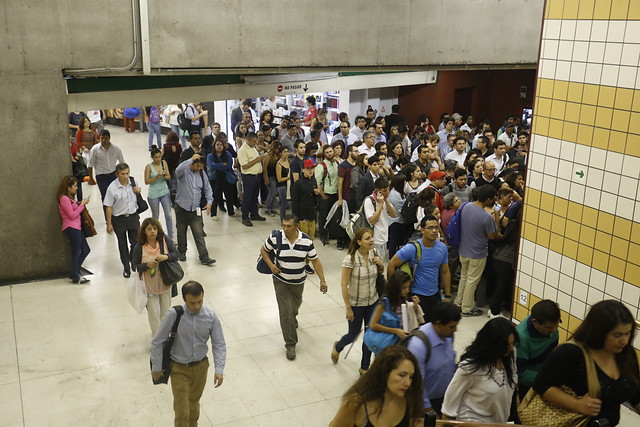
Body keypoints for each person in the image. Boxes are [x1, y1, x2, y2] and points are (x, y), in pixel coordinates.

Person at [533, 300, 640, 426]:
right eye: (617, 335)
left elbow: (635, 392)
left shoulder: (626, 354)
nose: (624, 341)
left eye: (627, 333)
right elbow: (542, 385)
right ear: (599, 332)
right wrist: (576, 404)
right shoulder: (571, 353)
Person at [150, 281, 226, 427]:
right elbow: (158, 341)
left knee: (193, 404)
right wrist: (157, 367)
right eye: (192, 303)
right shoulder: (174, 315)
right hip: (179, 368)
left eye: (200, 302)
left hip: (201, 367)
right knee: (182, 410)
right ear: (184, 299)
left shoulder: (210, 316)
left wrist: (219, 369)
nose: (197, 306)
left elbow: (219, 344)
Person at [259, 215, 328, 360]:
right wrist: (271, 266)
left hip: (298, 281)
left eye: (289, 226)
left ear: (297, 226)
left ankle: (293, 317)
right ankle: (290, 344)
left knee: (294, 307)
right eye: (284, 225)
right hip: (280, 280)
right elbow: (264, 250)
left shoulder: (306, 241)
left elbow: (315, 260)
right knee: (285, 312)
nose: (285, 229)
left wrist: (322, 280)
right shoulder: (275, 237)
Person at [442, 317, 518, 423]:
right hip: (473, 422)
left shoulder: (510, 355)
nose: (511, 348)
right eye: (506, 345)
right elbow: (448, 406)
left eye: (512, 343)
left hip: (499, 422)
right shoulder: (469, 368)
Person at [331, 228, 384, 375]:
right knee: (353, 334)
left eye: (372, 237)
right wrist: (348, 307)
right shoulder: (350, 259)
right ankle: (338, 346)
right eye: (367, 238)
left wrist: (380, 264)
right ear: (359, 242)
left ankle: (364, 367)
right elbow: (344, 284)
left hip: (372, 302)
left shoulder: (375, 254)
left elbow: (380, 275)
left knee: (369, 335)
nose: (371, 240)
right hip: (355, 304)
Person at [330, 345, 424, 427]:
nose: (408, 383)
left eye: (411, 377)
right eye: (402, 375)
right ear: (385, 373)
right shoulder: (356, 403)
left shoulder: (409, 400)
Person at [387, 215, 451, 321]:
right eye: (430, 228)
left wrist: (448, 295)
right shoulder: (412, 248)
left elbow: (445, 271)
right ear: (422, 230)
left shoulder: (442, 248)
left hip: (435, 295)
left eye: (436, 227)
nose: (434, 231)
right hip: (416, 296)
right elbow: (392, 264)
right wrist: (395, 291)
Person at [406, 302, 460, 417]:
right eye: (452, 326)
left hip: (446, 400)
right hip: (426, 405)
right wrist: (429, 411)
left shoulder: (448, 335)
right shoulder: (418, 346)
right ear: (438, 324)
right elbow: (416, 384)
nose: (455, 330)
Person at [455, 185, 501, 316]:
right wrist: (496, 217)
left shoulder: (466, 206)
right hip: (478, 253)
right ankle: (467, 308)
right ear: (487, 200)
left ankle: (458, 303)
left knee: (464, 278)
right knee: (472, 281)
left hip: (463, 250)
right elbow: (492, 236)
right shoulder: (485, 217)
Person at [131, 218, 178, 336]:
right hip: (149, 287)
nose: (152, 231)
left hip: (165, 283)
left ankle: (166, 336)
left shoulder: (164, 240)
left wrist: (167, 257)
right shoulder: (139, 247)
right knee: (154, 315)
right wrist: (147, 265)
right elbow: (134, 267)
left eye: (155, 229)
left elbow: (176, 254)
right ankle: (157, 339)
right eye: (149, 229)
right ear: (144, 231)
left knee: (166, 313)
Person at [174, 155, 216, 265]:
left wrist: (209, 202)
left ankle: (204, 257)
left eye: (201, 167)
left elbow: (207, 188)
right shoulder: (183, 172)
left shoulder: (202, 173)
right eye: (197, 166)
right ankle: (182, 252)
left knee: (199, 234)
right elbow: (177, 170)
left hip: (195, 209)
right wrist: (190, 159)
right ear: (192, 163)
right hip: (181, 208)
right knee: (181, 232)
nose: (198, 169)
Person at [515, 299, 561, 398]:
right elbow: (520, 373)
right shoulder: (521, 339)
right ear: (535, 322)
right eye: (549, 327)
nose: (553, 331)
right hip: (529, 383)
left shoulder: (552, 329)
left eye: (556, 325)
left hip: (545, 376)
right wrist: (547, 380)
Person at [103, 163, 142, 278]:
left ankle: (133, 261)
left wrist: (137, 190)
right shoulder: (112, 188)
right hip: (119, 219)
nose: (125, 176)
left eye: (127, 173)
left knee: (136, 242)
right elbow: (108, 206)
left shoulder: (133, 182)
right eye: (123, 174)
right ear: (117, 174)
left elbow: (138, 194)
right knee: (122, 244)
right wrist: (109, 223)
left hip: (133, 217)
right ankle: (126, 268)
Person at [56, 176, 91, 285]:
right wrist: (82, 205)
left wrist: (79, 204)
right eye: (75, 186)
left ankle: (74, 271)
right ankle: (75, 276)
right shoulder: (64, 198)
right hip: (71, 228)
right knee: (77, 252)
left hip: (77, 228)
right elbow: (71, 215)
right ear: (68, 187)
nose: (76, 188)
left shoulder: (70, 198)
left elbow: (73, 209)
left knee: (85, 249)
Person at [87, 130, 125, 208]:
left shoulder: (116, 149)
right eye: (102, 138)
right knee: (105, 196)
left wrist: (123, 177)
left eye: (106, 138)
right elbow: (90, 164)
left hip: (113, 175)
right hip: (101, 176)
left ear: (109, 138)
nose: (104, 140)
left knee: (115, 195)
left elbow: (122, 163)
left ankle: (115, 215)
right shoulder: (95, 149)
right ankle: (108, 218)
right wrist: (91, 178)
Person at [363, 176, 397, 260]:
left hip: (384, 238)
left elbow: (394, 215)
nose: (387, 192)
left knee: (380, 263)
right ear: (378, 191)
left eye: (388, 189)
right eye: (385, 191)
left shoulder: (385, 200)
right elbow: (372, 221)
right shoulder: (369, 201)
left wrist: (385, 201)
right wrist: (380, 205)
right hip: (374, 239)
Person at [144, 148, 174, 242]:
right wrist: (156, 177)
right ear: (152, 158)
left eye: (159, 157)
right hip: (153, 194)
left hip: (164, 192)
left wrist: (164, 175)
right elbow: (146, 181)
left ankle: (171, 236)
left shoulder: (163, 163)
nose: (158, 159)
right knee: (155, 216)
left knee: (168, 215)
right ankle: (155, 235)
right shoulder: (149, 167)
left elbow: (169, 177)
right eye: (156, 157)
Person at [237, 132, 266, 227]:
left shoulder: (252, 148)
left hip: (256, 176)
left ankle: (254, 214)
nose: (255, 143)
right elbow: (244, 166)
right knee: (247, 197)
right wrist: (257, 160)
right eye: (253, 141)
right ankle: (245, 217)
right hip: (248, 177)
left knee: (254, 197)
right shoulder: (242, 150)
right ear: (248, 140)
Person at [315, 144, 339, 243]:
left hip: (335, 193)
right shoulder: (321, 166)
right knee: (323, 216)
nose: (329, 154)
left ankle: (332, 233)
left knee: (333, 215)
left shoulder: (337, 163)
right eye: (327, 152)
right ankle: (323, 235)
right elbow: (318, 182)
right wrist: (322, 195)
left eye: (330, 151)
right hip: (326, 195)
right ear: (324, 154)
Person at [207, 139, 236, 220]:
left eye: (221, 145)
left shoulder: (228, 154)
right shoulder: (210, 155)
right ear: (214, 146)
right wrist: (222, 164)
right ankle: (213, 214)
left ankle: (231, 212)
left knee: (229, 195)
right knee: (215, 196)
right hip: (215, 178)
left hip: (226, 177)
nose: (219, 146)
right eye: (217, 145)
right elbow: (211, 166)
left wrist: (217, 166)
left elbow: (229, 165)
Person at [263, 141, 282, 217]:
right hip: (270, 176)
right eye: (277, 148)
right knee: (272, 192)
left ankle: (272, 208)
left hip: (275, 176)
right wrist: (266, 178)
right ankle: (268, 208)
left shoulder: (276, 155)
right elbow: (264, 168)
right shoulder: (268, 155)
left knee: (274, 193)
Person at [275, 147, 290, 221]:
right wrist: (289, 177)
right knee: (283, 204)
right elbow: (279, 179)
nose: (287, 153)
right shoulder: (279, 164)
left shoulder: (288, 161)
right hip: (282, 186)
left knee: (286, 203)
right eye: (284, 152)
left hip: (288, 184)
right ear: (280, 153)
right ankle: (282, 219)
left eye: (287, 151)